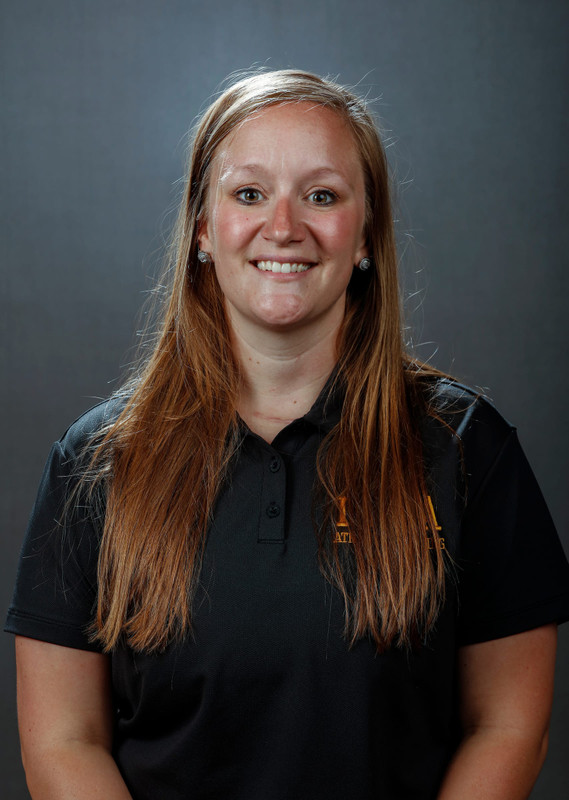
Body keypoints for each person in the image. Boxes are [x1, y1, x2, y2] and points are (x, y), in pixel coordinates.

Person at [6, 69, 569, 800]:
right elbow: (62, 740)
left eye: (321, 196)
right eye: (248, 194)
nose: (282, 227)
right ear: (202, 228)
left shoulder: (464, 447)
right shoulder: (97, 462)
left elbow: (508, 725)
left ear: (365, 235)